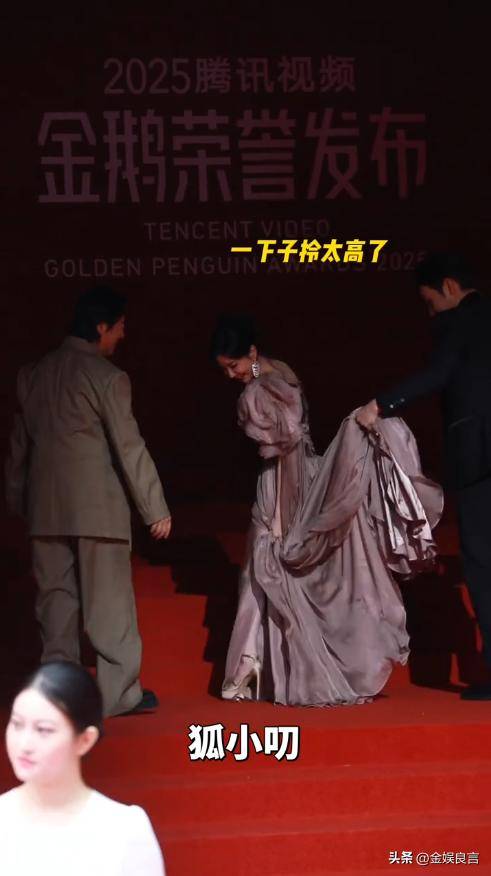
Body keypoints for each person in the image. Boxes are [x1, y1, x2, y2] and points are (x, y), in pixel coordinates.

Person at [211, 314, 443, 706]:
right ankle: (255, 668)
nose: (230, 375)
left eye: (233, 366)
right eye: (225, 369)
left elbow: (284, 449)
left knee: (263, 567)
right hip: (298, 473)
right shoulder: (276, 373)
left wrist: (282, 516)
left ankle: (252, 669)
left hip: (283, 483)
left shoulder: (261, 390)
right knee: (265, 570)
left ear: (251, 352)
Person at [4, 286, 171, 717]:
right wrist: (154, 508)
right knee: (108, 605)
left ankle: (58, 696)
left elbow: (19, 448)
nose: (122, 335)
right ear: (101, 327)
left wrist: (17, 498)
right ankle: (119, 696)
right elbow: (129, 447)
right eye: (119, 327)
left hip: (45, 508)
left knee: (54, 605)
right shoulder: (107, 377)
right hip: (98, 510)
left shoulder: (32, 374)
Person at [356, 252, 491, 701]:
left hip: (480, 457)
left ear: (449, 287)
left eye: (430, 303)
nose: (431, 314)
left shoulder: (458, 323)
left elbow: (439, 373)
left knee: (482, 561)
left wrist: (381, 404)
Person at [0, 661, 166, 875]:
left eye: (43, 730)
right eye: (17, 724)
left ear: (85, 739)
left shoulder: (124, 829)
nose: (25, 744)